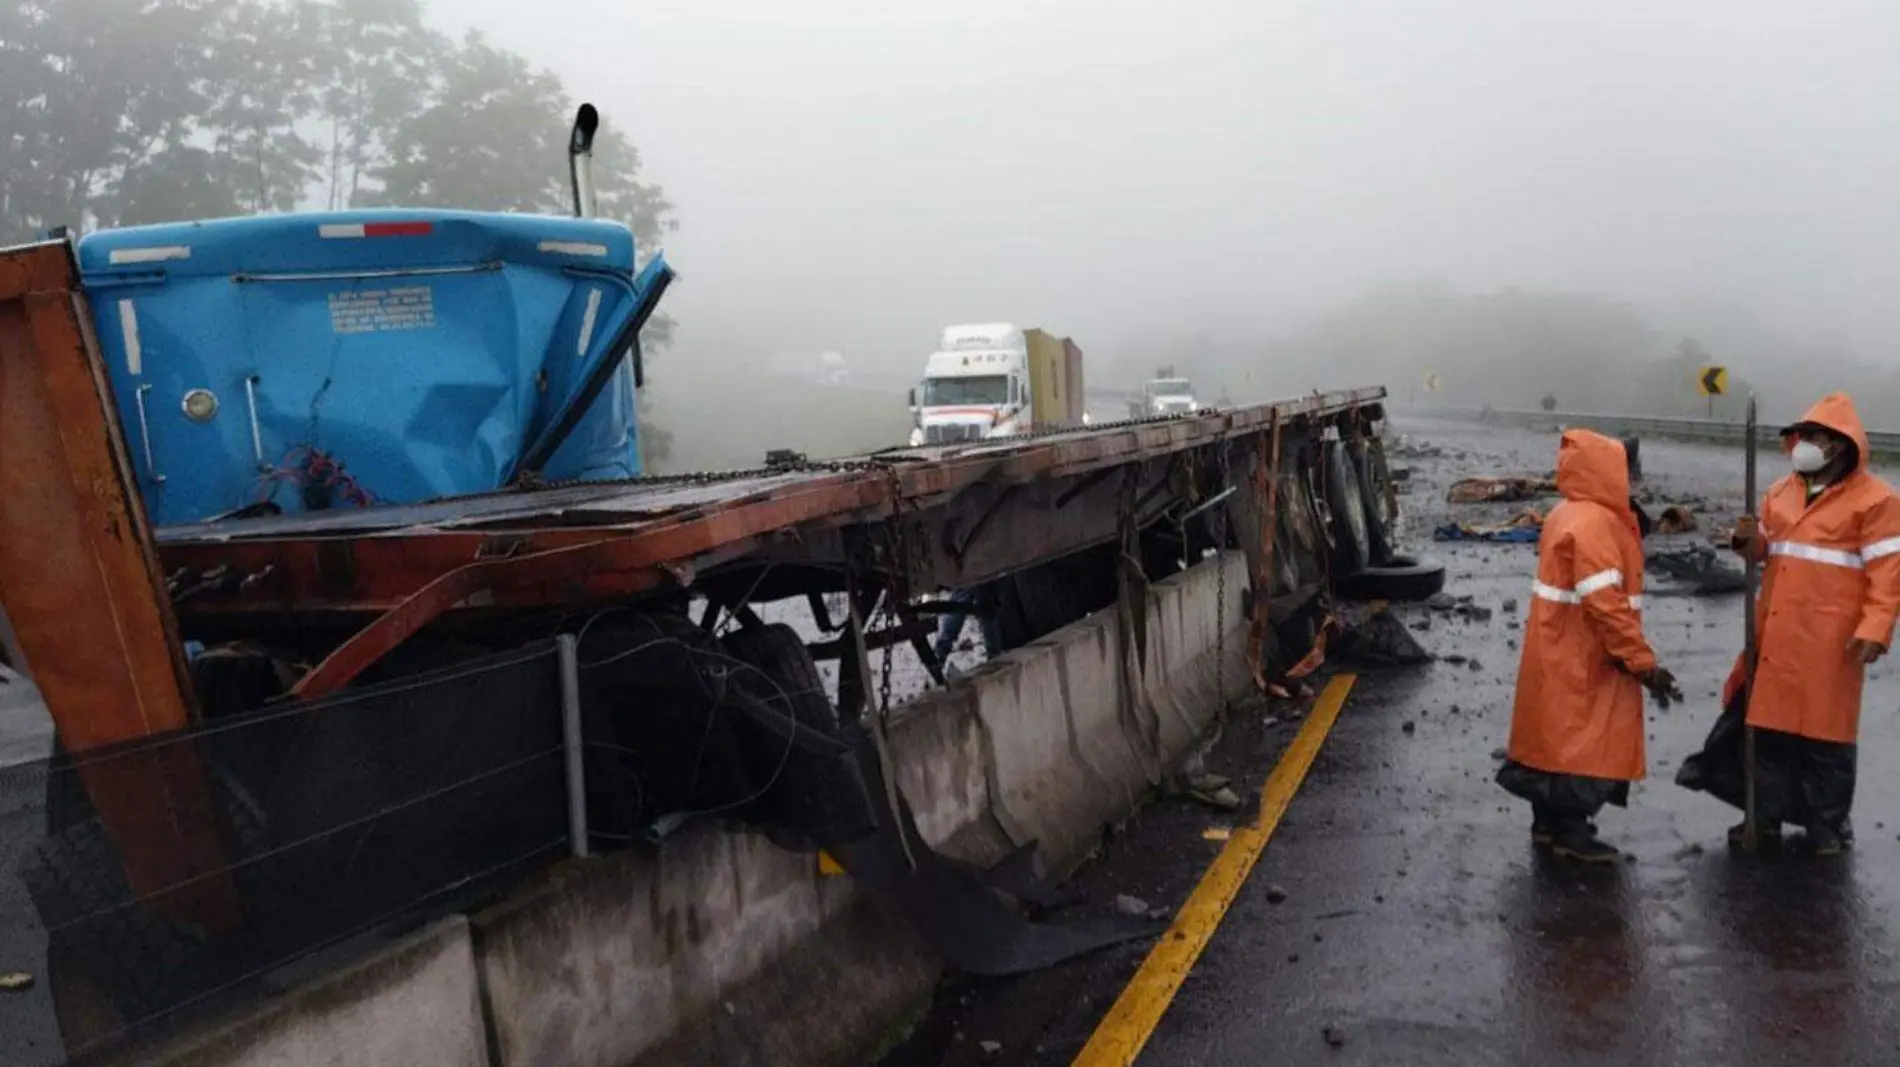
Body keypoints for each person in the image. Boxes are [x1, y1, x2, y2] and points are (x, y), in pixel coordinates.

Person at [1679, 393, 1900, 854]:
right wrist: (1747, 542)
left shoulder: (1876, 502)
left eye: (1816, 437)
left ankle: (1827, 826)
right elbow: (1767, 549)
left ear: (1840, 445)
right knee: (1770, 732)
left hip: (1832, 642)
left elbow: (1888, 573)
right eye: (1803, 436)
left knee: (1826, 738)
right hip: (1777, 633)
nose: (1805, 444)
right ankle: (1763, 817)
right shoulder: (1781, 492)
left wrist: (1875, 629)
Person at [1497, 429, 1681, 862]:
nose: (1634, 482)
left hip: (1558, 646)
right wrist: (1640, 661)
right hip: (1585, 653)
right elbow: (1605, 604)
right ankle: (1570, 831)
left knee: (1552, 739)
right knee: (1585, 745)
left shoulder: (1568, 512)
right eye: (1629, 473)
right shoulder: (1597, 524)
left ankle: (1547, 823)